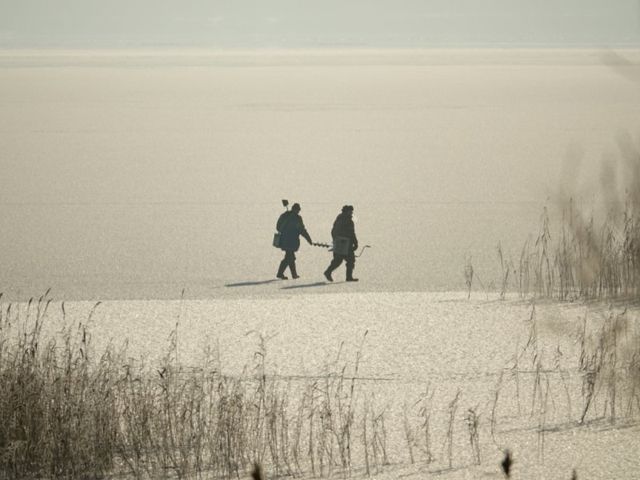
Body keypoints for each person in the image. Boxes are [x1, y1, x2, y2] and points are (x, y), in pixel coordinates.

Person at [276, 203, 312, 280]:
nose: (299, 211)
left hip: (283, 240)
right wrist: (308, 239)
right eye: (298, 210)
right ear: (296, 210)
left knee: (290, 257)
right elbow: (302, 230)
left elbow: (278, 227)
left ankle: (294, 274)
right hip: (291, 241)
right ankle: (280, 273)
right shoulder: (297, 218)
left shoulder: (284, 215)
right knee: (289, 257)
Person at [324, 205, 359, 282]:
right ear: (346, 211)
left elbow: (333, 231)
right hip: (346, 243)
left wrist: (335, 240)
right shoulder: (348, 221)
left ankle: (328, 272)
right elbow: (351, 233)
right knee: (350, 260)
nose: (351, 213)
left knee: (338, 260)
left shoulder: (339, 219)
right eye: (350, 211)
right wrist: (355, 242)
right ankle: (348, 277)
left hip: (339, 242)